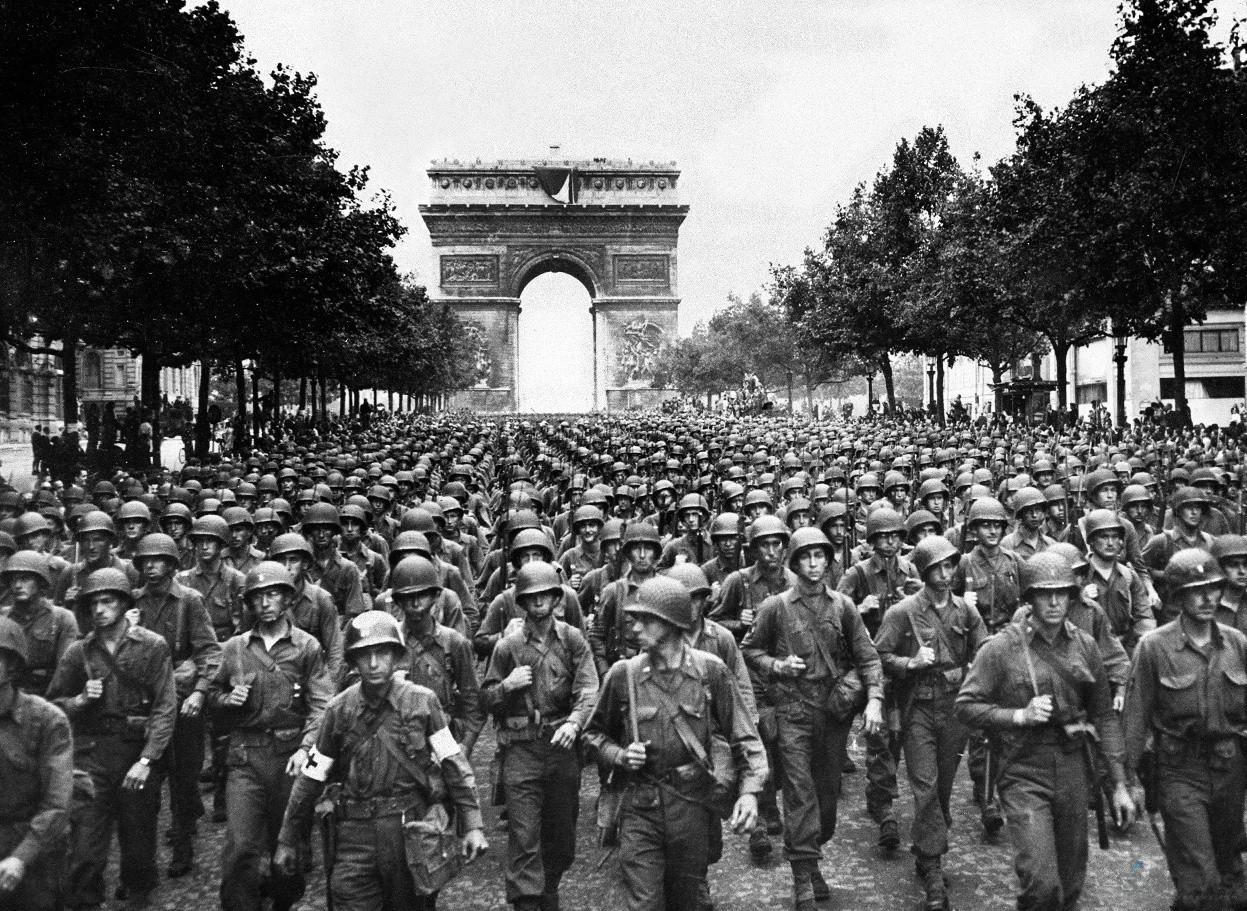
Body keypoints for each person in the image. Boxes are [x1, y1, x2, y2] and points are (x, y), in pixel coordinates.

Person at [274, 611, 488, 911]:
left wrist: (473, 824)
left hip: (408, 830)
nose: (374, 664)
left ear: (396, 656)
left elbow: (453, 764)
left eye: (382, 653)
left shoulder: (423, 702)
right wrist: (288, 838)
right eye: (365, 656)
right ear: (353, 661)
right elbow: (311, 777)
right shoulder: (339, 709)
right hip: (353, 836)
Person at [956, 552, 1135, 911]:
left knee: (1070, 884)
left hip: (1073, 766)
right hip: (1023, 766)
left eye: (1062, 593)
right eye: (1043, 594)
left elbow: (1103, 714)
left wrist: (1118, 784)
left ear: (1072, 596)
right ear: (1029, 598)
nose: (1054, 602)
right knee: (1041, 884)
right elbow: (965, 706)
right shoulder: (1003, 647)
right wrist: (1018, 716)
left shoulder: (1085, 645)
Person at [583, 575, 767, 911]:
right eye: (633, 619)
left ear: (671, 622)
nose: (634, 627)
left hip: (692, 806)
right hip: (640, 806)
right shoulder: (623, 675)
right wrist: (620, 755)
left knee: (687, 901)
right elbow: (591, 736)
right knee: (645, 903)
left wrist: (750, 793)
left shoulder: (711, 672)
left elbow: (745, 737)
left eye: (645, 619)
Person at [742, 527, 885, 911]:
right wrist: (777, 664)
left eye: (819, 556)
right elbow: (750, 651)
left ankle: (810, 853)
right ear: (794, 562)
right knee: (799, 793)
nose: (813, 564)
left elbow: (867, 658)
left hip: (833, 712)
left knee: (826, 804)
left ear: (828, 560)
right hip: (793, 710)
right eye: (805, 557)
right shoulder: (776, 606)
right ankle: (803, 874)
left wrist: (874, 699)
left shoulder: (843, 606)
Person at [48, 567, 177, 911]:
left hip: (136, 752)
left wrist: (147, 760)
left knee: (137, 846)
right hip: (92, 754)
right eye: (93, 604)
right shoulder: (79, 652)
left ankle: (138, 899)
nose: (99, 610)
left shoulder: (152, 646)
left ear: (123, 604)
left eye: (107, 601)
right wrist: (79, 701)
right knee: (85, 847)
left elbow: (165, 708)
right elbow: (54, 706)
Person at [1124, 549, 1247, 911]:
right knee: (1199, 872)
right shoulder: (1154, 647)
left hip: (1231, 769)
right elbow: (1135, 718)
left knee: (1228, 870)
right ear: (1178, 597)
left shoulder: (1237, 644)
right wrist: (1124, 782)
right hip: (1180, 770)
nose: (1208, 598)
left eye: (1213, 588)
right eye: (1197, 590)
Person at [209, 561, 333, 911]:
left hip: (289, 756)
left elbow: (321, 705)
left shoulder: (307, 647)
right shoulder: (235, 648)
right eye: (258, 597)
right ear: (249, 604)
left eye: (273, 594)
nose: (265, 603)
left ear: (288, 599)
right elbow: (212, 701)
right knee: (240, 845)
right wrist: (225, 700)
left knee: (287, 844)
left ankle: (283, 901)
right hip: (245, 756)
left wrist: (306, 747)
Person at [874, 535, 987, 910]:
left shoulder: (965, 612)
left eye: (950, 565)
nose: (946, 573)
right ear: (923, 572)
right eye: (938, 567)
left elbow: (984, 652)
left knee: (942, 787)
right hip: (918, 707)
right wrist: (910, 663)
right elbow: (879, 656)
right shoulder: (902, 612)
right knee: (924, 786)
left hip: (954, 708)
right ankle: (933, 868)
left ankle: (926, 848)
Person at [481, 561, 599, 911]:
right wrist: (506, 686)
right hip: (521, 750)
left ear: (556, 597)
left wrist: (575, 722)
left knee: (561, 838)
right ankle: (527, 901)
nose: (538, 602)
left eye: (545, 595)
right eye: (531, 596)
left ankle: (548, 890)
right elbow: (485, 698)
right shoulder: (508, 647)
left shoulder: (573, 639)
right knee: (523, 836)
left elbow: (590, 687)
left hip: (561, 748)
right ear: (522, 601)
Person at [130, 532, 221, 879]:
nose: (152, 566)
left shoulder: (189, 601)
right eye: (146, 561)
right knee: (145, 786)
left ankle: (183, 846)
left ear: (171, 564)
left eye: (159, 560)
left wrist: (200, 690)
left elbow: (209, 651)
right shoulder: (132, 602)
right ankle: (140, 865)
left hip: (183, 700)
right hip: (144, 701)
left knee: (184, 779)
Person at [837, 506, 920, 850]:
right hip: (872, 663)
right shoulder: (856, 573)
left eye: (895, 536)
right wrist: (860, 608)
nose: (889, 543)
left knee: (903, 733)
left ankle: (880, 790)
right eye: (882, 537)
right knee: (880, 736)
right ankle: (883, 804)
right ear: (870, 542)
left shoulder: (910, 569)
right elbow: (834, 615)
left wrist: (912, 598)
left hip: (905, 662)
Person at [0, 616, 74, 911]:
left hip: (32, 851)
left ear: (13, 666)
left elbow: (57, 803)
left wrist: (20, 858)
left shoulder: (46, 719)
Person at [391, 555, 484, 758]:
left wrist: (465, 747)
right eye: (408, 597)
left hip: (441, 734)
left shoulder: (454, 642)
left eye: (422, 595)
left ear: (435, 596)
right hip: (398, 738)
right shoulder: (389, 642)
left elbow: (473, 703)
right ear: (398, 601)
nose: (416, 603)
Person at [0, 551, 79, 696]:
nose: (17, 585)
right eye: (13, 580)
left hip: (46, 696)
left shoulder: (62, 618)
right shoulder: (2, 618)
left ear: (40, 581)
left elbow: (64, 671)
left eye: (25, 579)